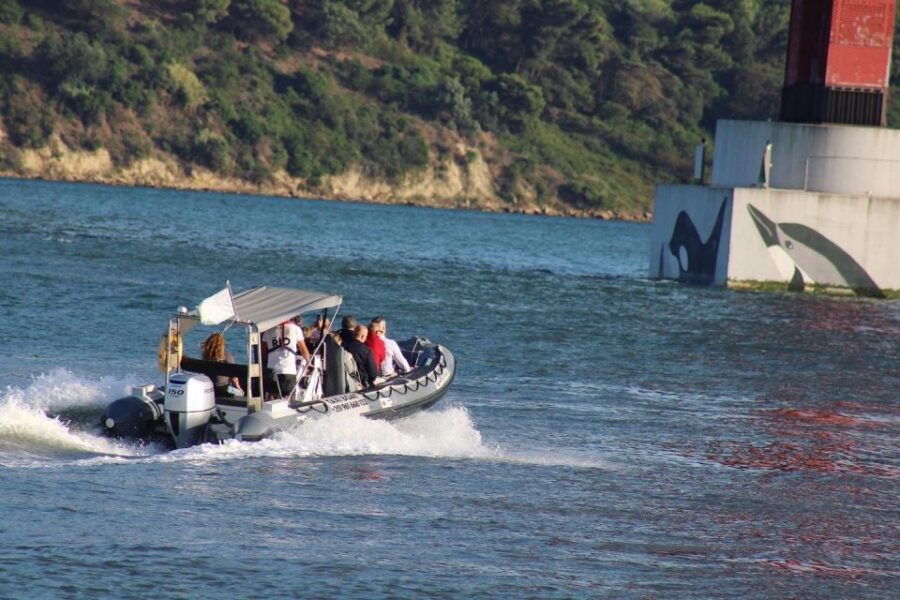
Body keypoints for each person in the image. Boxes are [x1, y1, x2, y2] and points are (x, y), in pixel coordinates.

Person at [261, 318, 311, 398]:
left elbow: (263, 351)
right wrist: (309, 362)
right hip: (288, 370)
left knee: (271, 396)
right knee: (287, 397)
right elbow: (303, 349)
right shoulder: (296, 329)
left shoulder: (268, 330)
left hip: (271, 368)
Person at [200, 332, 243, 397]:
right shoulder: (227, 356)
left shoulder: (206, 356)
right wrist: (239, 388)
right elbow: (234, 378)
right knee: (241, 394)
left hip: (209, 388)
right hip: (223, 390)